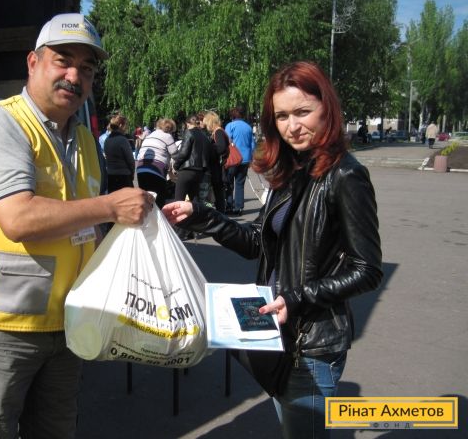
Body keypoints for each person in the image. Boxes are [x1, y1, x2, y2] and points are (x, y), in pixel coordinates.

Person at [0, 13, 154, 439]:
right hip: (3, 327)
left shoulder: (83, 139)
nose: (74, 76)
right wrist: (110, 206)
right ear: (33, 63)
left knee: (56, 430)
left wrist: (144, 226)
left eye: (87, 68)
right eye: (63, 61)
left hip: (68, 320)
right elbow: (19, 218)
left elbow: (89, 222)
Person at [162, 61, 382, 439]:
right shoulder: (291, 169)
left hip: (311, 343)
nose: (292, 126)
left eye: (302, 112)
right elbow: (256, 242)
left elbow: (367, 269)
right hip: (276, 332)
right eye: (281, 116)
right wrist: (201, 215)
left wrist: (296, 297)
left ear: (326, 108)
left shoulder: (346, 175)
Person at [135, 118, 178, 209]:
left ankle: (145, 217)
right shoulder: (167, 136)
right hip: (156, 169)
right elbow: (175, 154)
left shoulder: (150, 135)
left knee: (145, 198)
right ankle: (158, 217)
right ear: (170, 129)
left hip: (141, 168)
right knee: (158, 199)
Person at [172, 114, 212, 203]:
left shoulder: (189, 132)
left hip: (187, 170)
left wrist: (175, 166)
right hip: (199, 171)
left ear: (187, 124)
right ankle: (197, 212)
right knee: (195, 201)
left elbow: (183, 153)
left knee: (178, 201)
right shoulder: (205, 136)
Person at [224, 106, 256, 215]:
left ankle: (229, 206)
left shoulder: (230, 126)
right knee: (240, 184)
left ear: (232, 116)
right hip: (245, 159)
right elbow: (252, 145)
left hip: (233, 159)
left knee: (229, 183)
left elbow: (226, 141)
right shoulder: (248, 127)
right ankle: (239, 207)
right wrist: (251, 158)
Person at [202, 110, 230, 212]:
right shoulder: (219, 131)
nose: (206, 126)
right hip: (218, 166)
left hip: (217, 167)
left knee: (218, 193)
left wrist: (209, 148)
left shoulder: (218, 132)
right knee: (219, 193)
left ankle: (220, 214)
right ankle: (221, 213)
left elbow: (221, 148)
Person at [104, 113, 135, 192]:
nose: (126, 128)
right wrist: (132, 173)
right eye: (126, 125)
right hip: (123, 177)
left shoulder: (107, 140)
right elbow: (130, 160)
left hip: (111, 176)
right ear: (121, 125)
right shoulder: (122, 140)